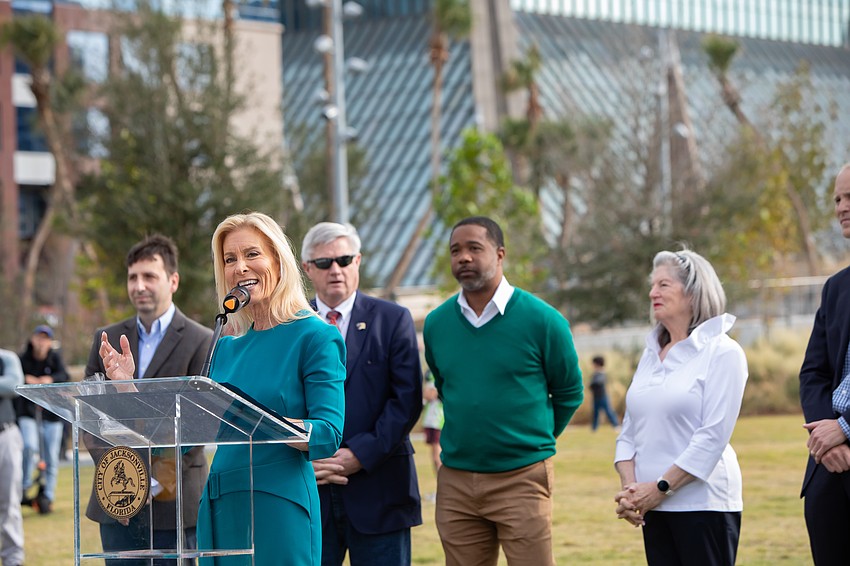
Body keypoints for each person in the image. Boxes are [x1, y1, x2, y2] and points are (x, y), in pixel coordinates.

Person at [102, 212, 346, 565]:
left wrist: (260, 422)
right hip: (220, 503)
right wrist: (128, 389)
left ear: (278, 261)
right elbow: (180, 437)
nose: (240, 267)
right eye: (229, 259)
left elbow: (328, 433)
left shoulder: (316, 337)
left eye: (252, 254)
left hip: (277, 505)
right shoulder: (226, 347)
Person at [423, 216, 584, 566]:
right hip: (457, 479)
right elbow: (446, 386)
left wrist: (532, 438)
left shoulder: (543, 320)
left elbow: (570, 392)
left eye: (474, 248)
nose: (463, 257)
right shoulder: (437, 324)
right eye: (455, 250)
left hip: (522, 476)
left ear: (500, 254)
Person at [613, 248, 748, 566]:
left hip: (704, 506)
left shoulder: (724, 352)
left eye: (663, 285)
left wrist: (660, 488)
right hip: (653, 507)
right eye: (652, 285)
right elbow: (629, 433)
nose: (652, 292)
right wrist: (632, 491)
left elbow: (712, 437)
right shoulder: (650, 353)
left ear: (693, 292)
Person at [84, 234, 213, 565]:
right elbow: (89, 418)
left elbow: (196, 424)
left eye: (149, 276)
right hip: (117, 502)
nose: (139, 285)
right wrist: (120, 482)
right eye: (132, 277)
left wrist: (148, 485)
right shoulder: (106, 339)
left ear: (173, 281)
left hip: (175, 503)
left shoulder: (203, 341)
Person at [301, 222, 422, 566]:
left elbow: (406, 401)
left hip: (380, 486)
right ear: (308, 269)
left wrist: (359, 454)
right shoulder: (290, 325)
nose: (335, 269)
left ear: (358, 261)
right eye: (324, 263)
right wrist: (310, 458)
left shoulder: (393, 319)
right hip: (312, 489)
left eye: (344, 259)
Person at [799, 164, 850, 565]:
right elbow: (813, 372)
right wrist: (824, 435)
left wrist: (845, 429)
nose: (841, 208)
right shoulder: (836, 288)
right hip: (828, 473)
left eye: (849, 197)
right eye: (837, 198)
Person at [16, 324, 69, 513]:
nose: (41, 342)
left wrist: (50, 380)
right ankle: (24, 485)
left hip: (51, 414)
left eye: (45, 339)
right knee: (29, 446)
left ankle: (48, 496)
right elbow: (14, 377)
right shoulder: (23, 359)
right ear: (33, 339)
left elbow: (64, 376)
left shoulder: (55, 358)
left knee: (51, 457)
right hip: (28, 413)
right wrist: (26, 379)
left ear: (50, 342)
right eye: (39, 337)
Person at [0, 348, 24, 566]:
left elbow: (13, 384)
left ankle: (13, 559)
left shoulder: (5, 357)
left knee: (9, 501)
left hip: (4, 436)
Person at [421, 369, 443, 482]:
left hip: (438, 420)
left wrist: (427, 393)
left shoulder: (440, 370)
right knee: (434, 457)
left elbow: (430, 394)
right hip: (430, 419)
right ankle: (438, 486)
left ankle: (442, 486)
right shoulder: (428, 372)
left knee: (437, 457)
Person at [589, 355, 619, 431]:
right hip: (596, 396)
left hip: (602, 396)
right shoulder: (595, 374)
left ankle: (616, 425)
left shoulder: (602, 373)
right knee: (595, 412)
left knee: (608, 411)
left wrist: (592, 384)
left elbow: (597, 383)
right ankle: (594, 428)